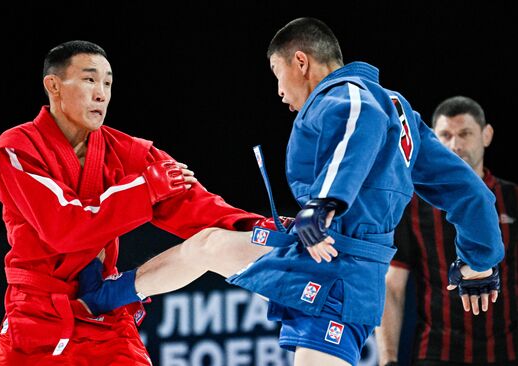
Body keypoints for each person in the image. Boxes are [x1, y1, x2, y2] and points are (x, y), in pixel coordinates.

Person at [77, 18, 504, 366]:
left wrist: (323, 204)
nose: (280, 93)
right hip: (322, 252)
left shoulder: (353, 96)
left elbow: (360, 123)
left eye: (277, 76)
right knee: (208, 245)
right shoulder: (401, 114)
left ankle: (106, 296)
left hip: (340, 269)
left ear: (301, 61)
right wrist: (479, 264)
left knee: (210, 247)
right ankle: (107, 296)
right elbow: (472, 194)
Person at [0, 40, 287, 365]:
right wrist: (144, 190)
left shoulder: (127, 153)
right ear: (54, 85)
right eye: (89, 80)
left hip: (104, 317)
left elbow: (196, 206)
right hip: (34, 322)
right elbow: (63, 226)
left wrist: (258, 225)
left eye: (107, 83)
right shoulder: (18, 148)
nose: (101, 93)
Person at [375, 96, 517, 366]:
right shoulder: (411, 206)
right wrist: (388, 359)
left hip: (508, 350)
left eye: (465, 134)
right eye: (445, 135)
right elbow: (392, 287)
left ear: (486, 135)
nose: (455, 145)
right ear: (431, 141)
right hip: (437, 351)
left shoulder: (512, 198)